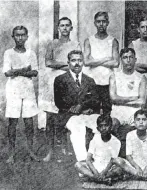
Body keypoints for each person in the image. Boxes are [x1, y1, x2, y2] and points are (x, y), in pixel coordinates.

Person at [42, 17, 81, 162]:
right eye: (62, 26)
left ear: (71, 28)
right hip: (53, 81)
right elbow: (48, 62)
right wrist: (66, 65)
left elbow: (77, 64)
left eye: (67, 26)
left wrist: (64, 66)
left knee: (67, 115)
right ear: (58, 28)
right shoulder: (52, 44)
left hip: (68, 82)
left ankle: (66, 150)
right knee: (50, 118)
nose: (64, 28)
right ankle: (50, 152)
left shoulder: (75, 44)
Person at [54, 50, 101, 162]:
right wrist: (78, 109)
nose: (77, 63)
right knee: (78, 128)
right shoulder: (60, 80)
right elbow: (59, 102)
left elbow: (95, 100)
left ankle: (99, 158)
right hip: (68, 115)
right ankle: (83, 162)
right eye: (73, 60)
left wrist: (83, 106)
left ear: (83, 62)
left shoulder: (89, 80)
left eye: (79, 60)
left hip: (87, 114)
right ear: (68, 62)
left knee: (100, 125)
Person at [3, 26, 40, 164]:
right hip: (13, 90)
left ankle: (31, 152)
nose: (20, 38)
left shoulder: (31, 53)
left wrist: (17, 71)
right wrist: (25, 70)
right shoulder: (8, 53)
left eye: (23, 35)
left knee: (29, 123)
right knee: (12, 122)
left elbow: (35, 72)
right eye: (17, 35)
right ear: (13, 37)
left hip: (28, 90)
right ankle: (11, 153)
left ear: (27, 37)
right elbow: (7, 72)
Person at [83, 11, 120, 115]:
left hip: (108, 81)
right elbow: (86, 61)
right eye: (98, 22)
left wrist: (94, 61)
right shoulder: (89, 40)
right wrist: (105, 59)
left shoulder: (113, 41)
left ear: (107, 23)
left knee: (108, 109)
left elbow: (116, 62)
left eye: (104, 21)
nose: (101, 24)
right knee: (93, 110)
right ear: (95, 23)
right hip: (93, 81)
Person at [75, 115, 121, 185]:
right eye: (101, 126)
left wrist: (104, 172)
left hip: (109, 168)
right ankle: (98, 179)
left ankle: (96, 178)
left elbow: (112, 161)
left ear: (111, 127)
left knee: (119, 169)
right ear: (98, 128)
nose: (103, 128)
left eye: (106, 125)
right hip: (96, 166)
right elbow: (88, 159)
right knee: (78, 165)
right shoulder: (95, 139)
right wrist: (95, 172)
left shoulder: (116, 141)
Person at [109, 48, 147, 126]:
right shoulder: (114, 76)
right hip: (118, 113)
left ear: (135, 59)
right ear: (121, 60)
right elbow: (113, 98)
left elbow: (142, 101)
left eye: (131, 57)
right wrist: (133, 98)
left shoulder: (141, 77)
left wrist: (120, 100)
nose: (128, 60)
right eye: (125, 57)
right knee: (113, 124)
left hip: (135, 114)